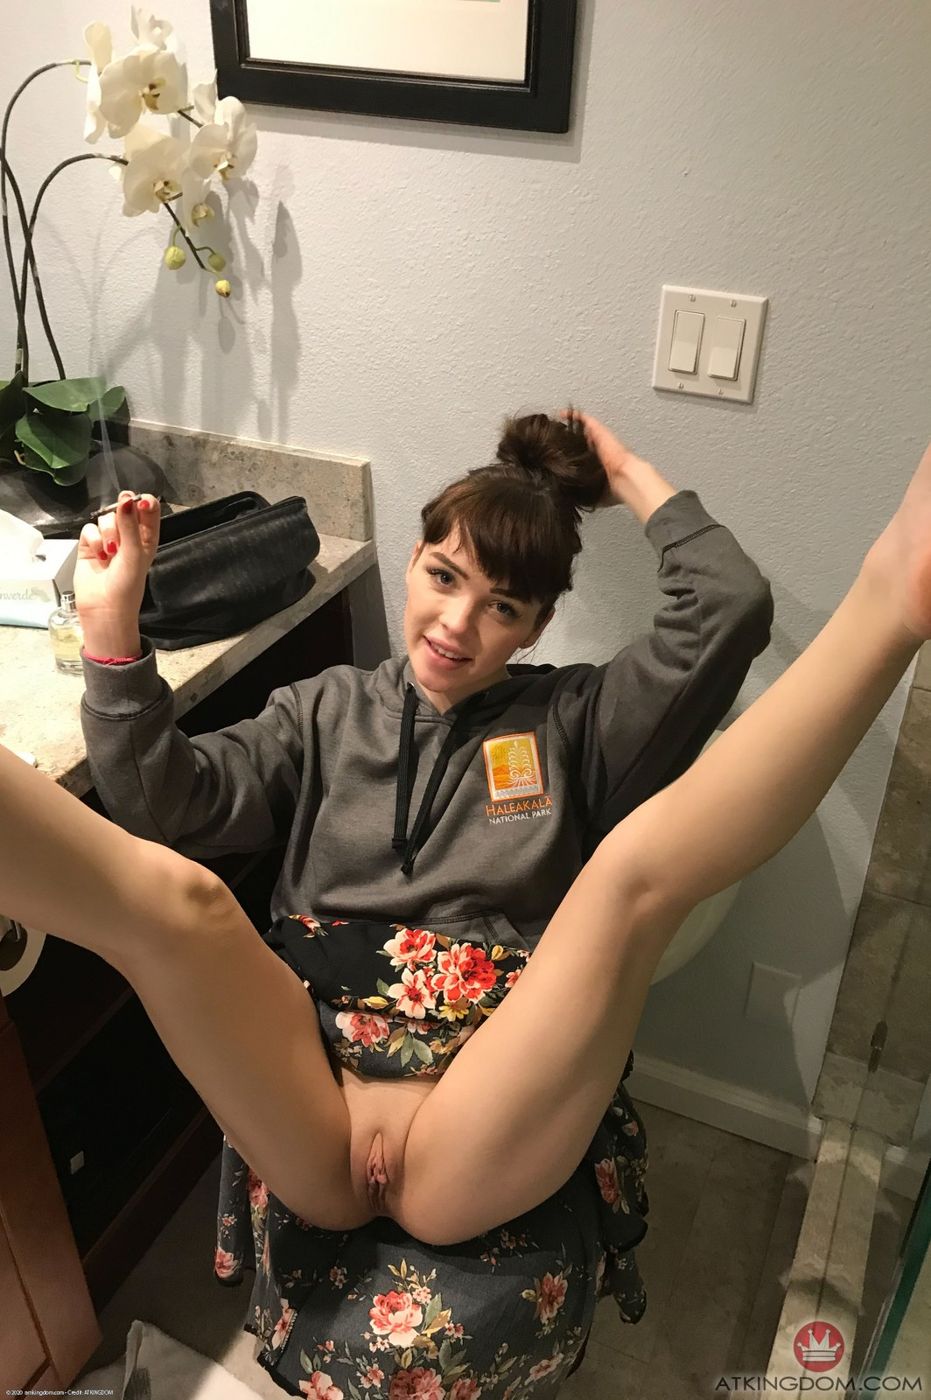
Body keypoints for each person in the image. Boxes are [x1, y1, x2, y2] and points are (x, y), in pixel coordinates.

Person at [9, 410, 918, 1394]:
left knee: (626, 876)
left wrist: (622, 470)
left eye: (501, 606)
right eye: (444, 578)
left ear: (536, 625)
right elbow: (164, 807)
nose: (456, 623)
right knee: (179, 899)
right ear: (411, 563)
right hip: (314, 1104)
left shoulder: (575, 722)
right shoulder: (321, 712)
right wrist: (111, 630)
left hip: (472, 1127)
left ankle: (895, 599)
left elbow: (730, 606)